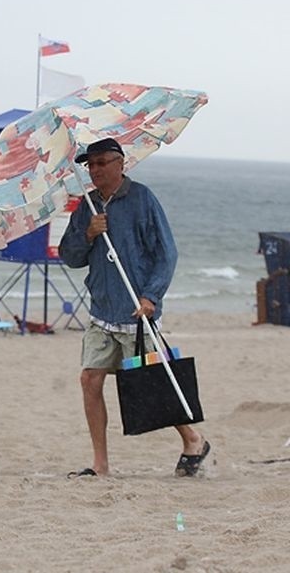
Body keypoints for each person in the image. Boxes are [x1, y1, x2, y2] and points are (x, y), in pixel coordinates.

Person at [58, 138, 209, 478]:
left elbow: (166, 253)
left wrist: (151, 297)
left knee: (154, 383)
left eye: (101, 163)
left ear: (120, 164)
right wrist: (89, 234)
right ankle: (101, 464)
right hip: (102, 310)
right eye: (90, 165)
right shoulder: (87, 206)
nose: (94, 170)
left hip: (137, 312)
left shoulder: (142, 199)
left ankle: (193, 439)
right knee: (90, 379)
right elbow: (69, 257)